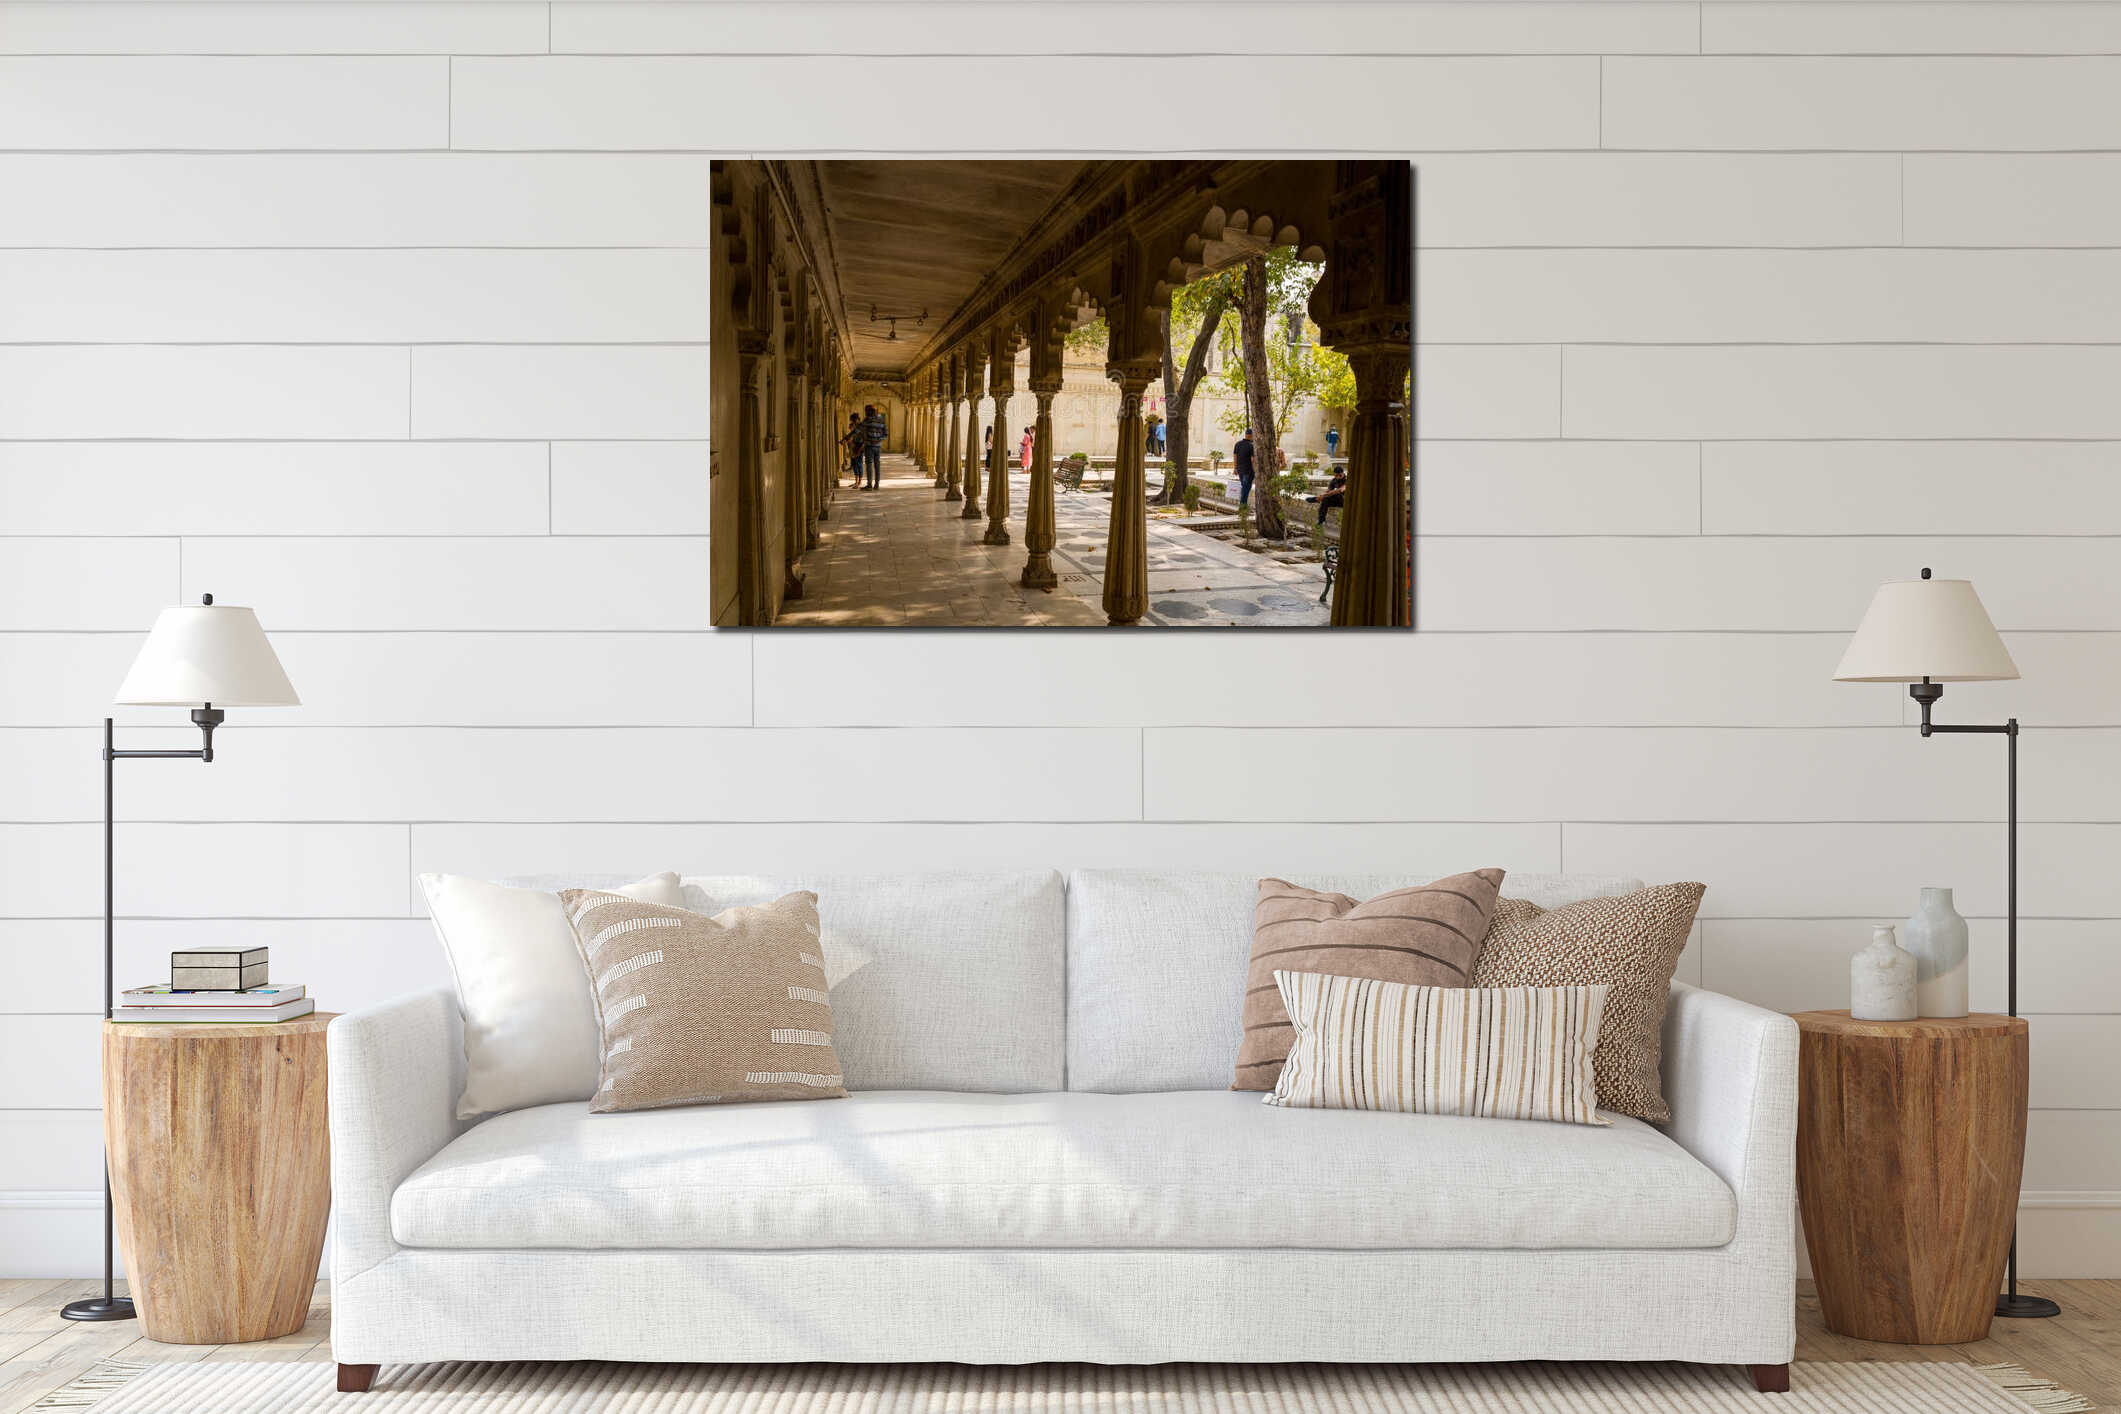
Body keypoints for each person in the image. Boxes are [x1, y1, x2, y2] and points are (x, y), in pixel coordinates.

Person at [861, 403, 886, 489]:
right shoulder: (881, 420)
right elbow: (885, 434)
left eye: (866, 411)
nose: (865, 413)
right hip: (878, 446)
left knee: (869, 464)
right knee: (877, 465)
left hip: (869, 445)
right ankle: (877, 484)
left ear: (869, 411)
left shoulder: (866, 420)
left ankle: (869, 485)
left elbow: (859, 430)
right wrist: (879, 439)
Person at [1232, 427, 1256, 507]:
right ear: (1251, 435)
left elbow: (1235, 457)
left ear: (1246, 434)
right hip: (1248, 471)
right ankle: (1243, 508)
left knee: (1244, 489)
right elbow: (1252, 460)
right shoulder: (1252, 445)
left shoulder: (1237, 444)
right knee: (1246, 490)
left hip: (1240, 471)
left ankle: (1243, 507)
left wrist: (1235, 468)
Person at [840, 413, 863, 487]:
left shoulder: (861, 426)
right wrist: (843, 440)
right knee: (855, 464)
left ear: (856, 420)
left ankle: (859, 482)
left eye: (853, 421)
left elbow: (862, 437)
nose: (853, 423)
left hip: (860, 446)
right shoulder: (857, 426)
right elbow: (851, 434)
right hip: (855, 445)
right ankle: (856, 481)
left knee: (859, 464)